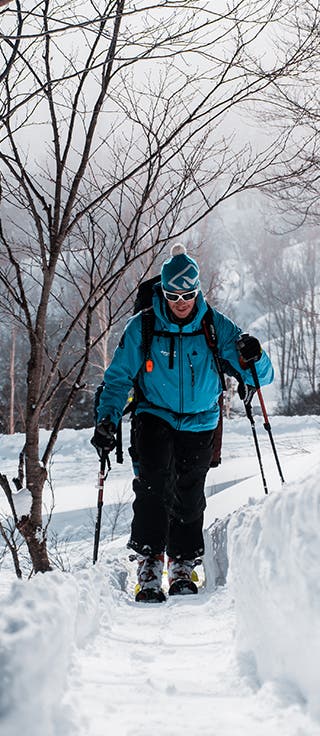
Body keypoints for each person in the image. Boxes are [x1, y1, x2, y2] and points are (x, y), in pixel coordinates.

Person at [91, 244, 274, 602]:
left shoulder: (214, 325)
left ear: (197, 290)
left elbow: (258, 377)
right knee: (152, 487)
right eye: (174, 294)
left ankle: (183, 564)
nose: (181, 302)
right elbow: (117, 379)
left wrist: (257, 354)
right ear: (164, 291)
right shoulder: (142, 325)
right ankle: (149, 563)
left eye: (188, 294)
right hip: (154, 414)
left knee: (189, 495)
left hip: (201, 420)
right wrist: (107, 421)